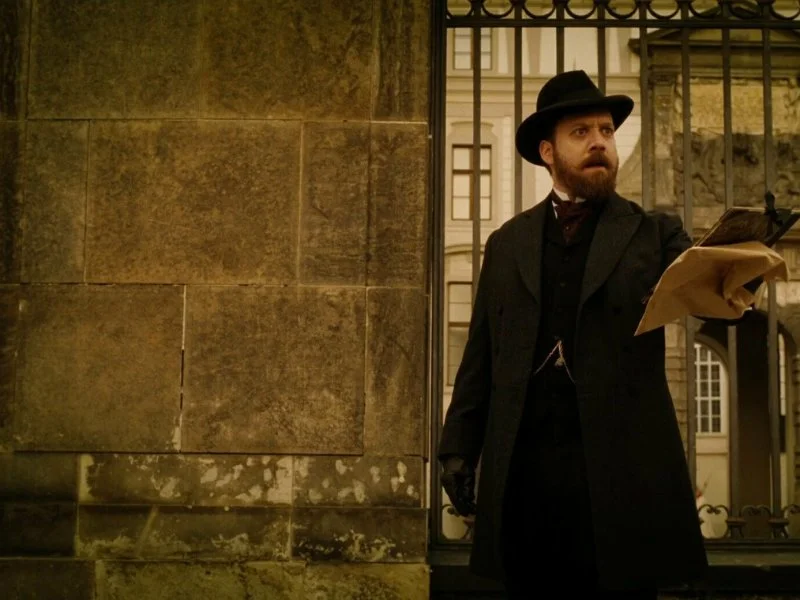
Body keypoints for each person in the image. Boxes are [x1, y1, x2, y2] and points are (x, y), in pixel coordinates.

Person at [438, 70, 715, 598]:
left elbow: (707, 296)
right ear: (548, 151)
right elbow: (481, 354)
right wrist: (457, 447)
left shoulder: (654, 234)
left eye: (606, 131)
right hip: (527, 476)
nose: (599, 143)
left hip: (621, 475)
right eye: (581, 132)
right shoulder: (507, 243)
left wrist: (741, 267)